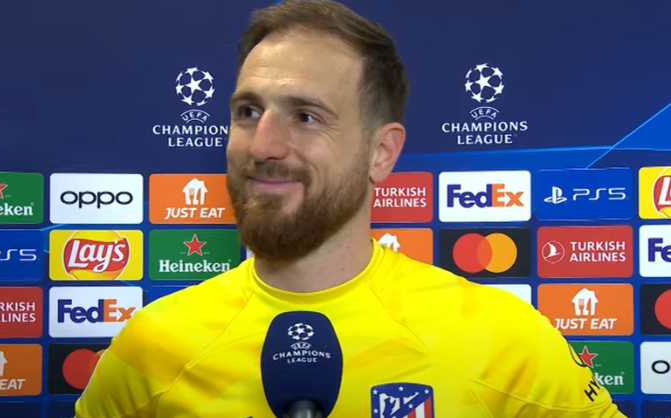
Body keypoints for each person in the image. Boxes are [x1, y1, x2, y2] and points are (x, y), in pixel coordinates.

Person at [75, 1, 627, 417]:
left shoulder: (503, 340)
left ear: (380, 153)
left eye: (306, 117)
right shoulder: (150, 348)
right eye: (248, 111)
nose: (262, 145)